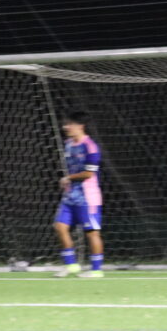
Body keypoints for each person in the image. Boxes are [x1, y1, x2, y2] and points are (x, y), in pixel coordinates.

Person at [53, 112, 105, 278]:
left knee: (92, 233)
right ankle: (71, 266)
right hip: (70, 196)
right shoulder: (68, 144)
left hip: (87, 197)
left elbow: (89, 174)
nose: (65, 127)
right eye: (65, 124)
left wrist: (68, 178)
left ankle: (96, 270)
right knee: (60, 227)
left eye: (69, 124)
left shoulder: (90, 146)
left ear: (80, 126)